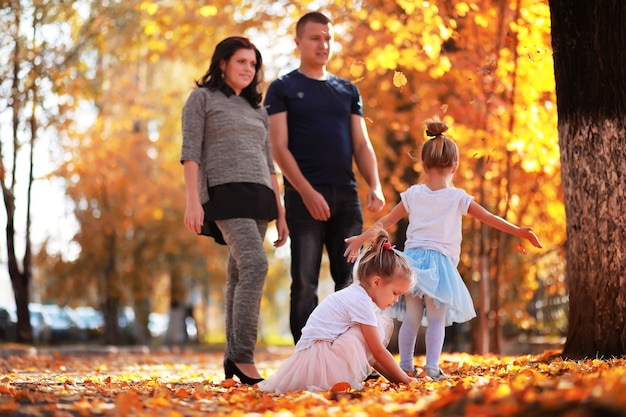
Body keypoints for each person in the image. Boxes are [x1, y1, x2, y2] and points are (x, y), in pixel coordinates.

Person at [344, 116, 542, 380]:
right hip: (439, 267)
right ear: (455, 167)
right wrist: (518, 231)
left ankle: (405, 367)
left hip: (411, 266)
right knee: (436, 319)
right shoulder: (458, 198)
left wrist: (360, 238)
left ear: (424, 165)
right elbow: (490, 218)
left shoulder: (413, 194)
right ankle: (432, 368)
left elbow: (385, 222)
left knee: (412, 318)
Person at [264, 11, 385, 344]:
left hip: (346, 198)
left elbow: (361, 143)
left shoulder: (347, 90)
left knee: (353, 279)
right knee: (304, 282)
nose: (323, 44)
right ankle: (308, 351)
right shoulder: (282, 88)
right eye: (315, 38)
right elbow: (278, 147)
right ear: (298, 42)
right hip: (304, 200)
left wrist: (374, 183)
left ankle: (356, 352)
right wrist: (306, 192)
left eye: (328, 38)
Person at [180, 36, 288, 385]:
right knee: (255, 265)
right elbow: (190, 152)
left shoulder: (258, 110)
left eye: (253, 64)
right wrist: (193, 200)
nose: (248, 69)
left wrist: (281, 211)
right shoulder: (202, 98)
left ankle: (232, 358)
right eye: (241, 61)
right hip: (224, 194)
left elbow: (269, 164)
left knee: (239, 274)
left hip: (259, 196)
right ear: (223, 62)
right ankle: (244, 356)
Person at [258, 229, 416, 394]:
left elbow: (373, 357)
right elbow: (377, 351)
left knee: (370, 329)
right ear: (376, 282)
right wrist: (405, 379)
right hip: (320, 362)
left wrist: (397, 380)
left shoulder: (357, 295)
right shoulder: (361, 301)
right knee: (371, 331)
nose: (396, 300)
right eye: (395, 293)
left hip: (313, 360)